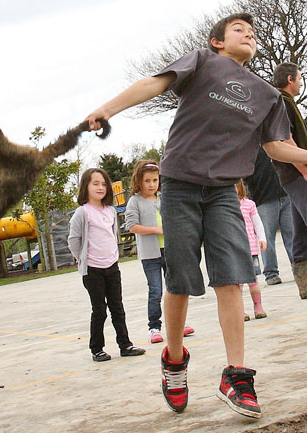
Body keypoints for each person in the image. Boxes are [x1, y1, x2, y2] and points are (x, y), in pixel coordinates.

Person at [85, 13, 307, 418]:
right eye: (239, 30)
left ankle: (236, 375)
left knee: (233, 279)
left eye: (252, 33)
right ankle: (173, 361)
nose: (248, 35)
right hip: (180, 186)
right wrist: (108, 109)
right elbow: (155, 83)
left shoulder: (267, 95)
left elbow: (276, 147)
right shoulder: (202, 62)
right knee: (182, 280)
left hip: (224, 190)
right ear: (217, 41)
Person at [68, 168, 145, 362]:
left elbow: (110, 235)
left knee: (117, 307)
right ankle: (97, 349)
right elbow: (74, 240)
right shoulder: (82, 213)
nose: (100, 187)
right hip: (92, 270)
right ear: (86, 187)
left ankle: (125, 344)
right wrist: (81, 258)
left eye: (103, 184)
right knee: (99, 310)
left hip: (112, 266)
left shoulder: (110, 211)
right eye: (95, 183)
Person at [125, 160, 194, 343]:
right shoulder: (135, 201)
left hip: (171, 251)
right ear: (138, 181)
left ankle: (178, 324)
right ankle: (154, 328)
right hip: (150, 255)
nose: (151, 184)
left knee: (176, 288)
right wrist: (157, 230)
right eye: (147, 181)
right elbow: (132, 226)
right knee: (156, 291)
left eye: (155, 180)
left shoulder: (164, 198)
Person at [272, 62, 307, 300]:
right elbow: (285, 139)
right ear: (289, 79)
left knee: (301, 232)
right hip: (297, 172)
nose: (302, 81)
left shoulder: (285, 102)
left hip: (293, 174)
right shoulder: (282, 102)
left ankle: (304, 283)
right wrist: (303, 168)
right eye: (300, 77)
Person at [244, 146, 293, 285]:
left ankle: (299, 268)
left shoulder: (278, 144)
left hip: (286, 195)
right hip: (264, 199)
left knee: (292, 236)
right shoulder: (251, 149)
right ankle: (271, 274)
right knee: (266, 240)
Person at [235, 179, 267, 321]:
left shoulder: (249, 205)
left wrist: (262, 238)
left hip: (251, 249)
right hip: (234, 249)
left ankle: (258, 305)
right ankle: (240, 310)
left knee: (253, 280)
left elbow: (257, 223)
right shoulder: (225, 206)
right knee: (238, 283)